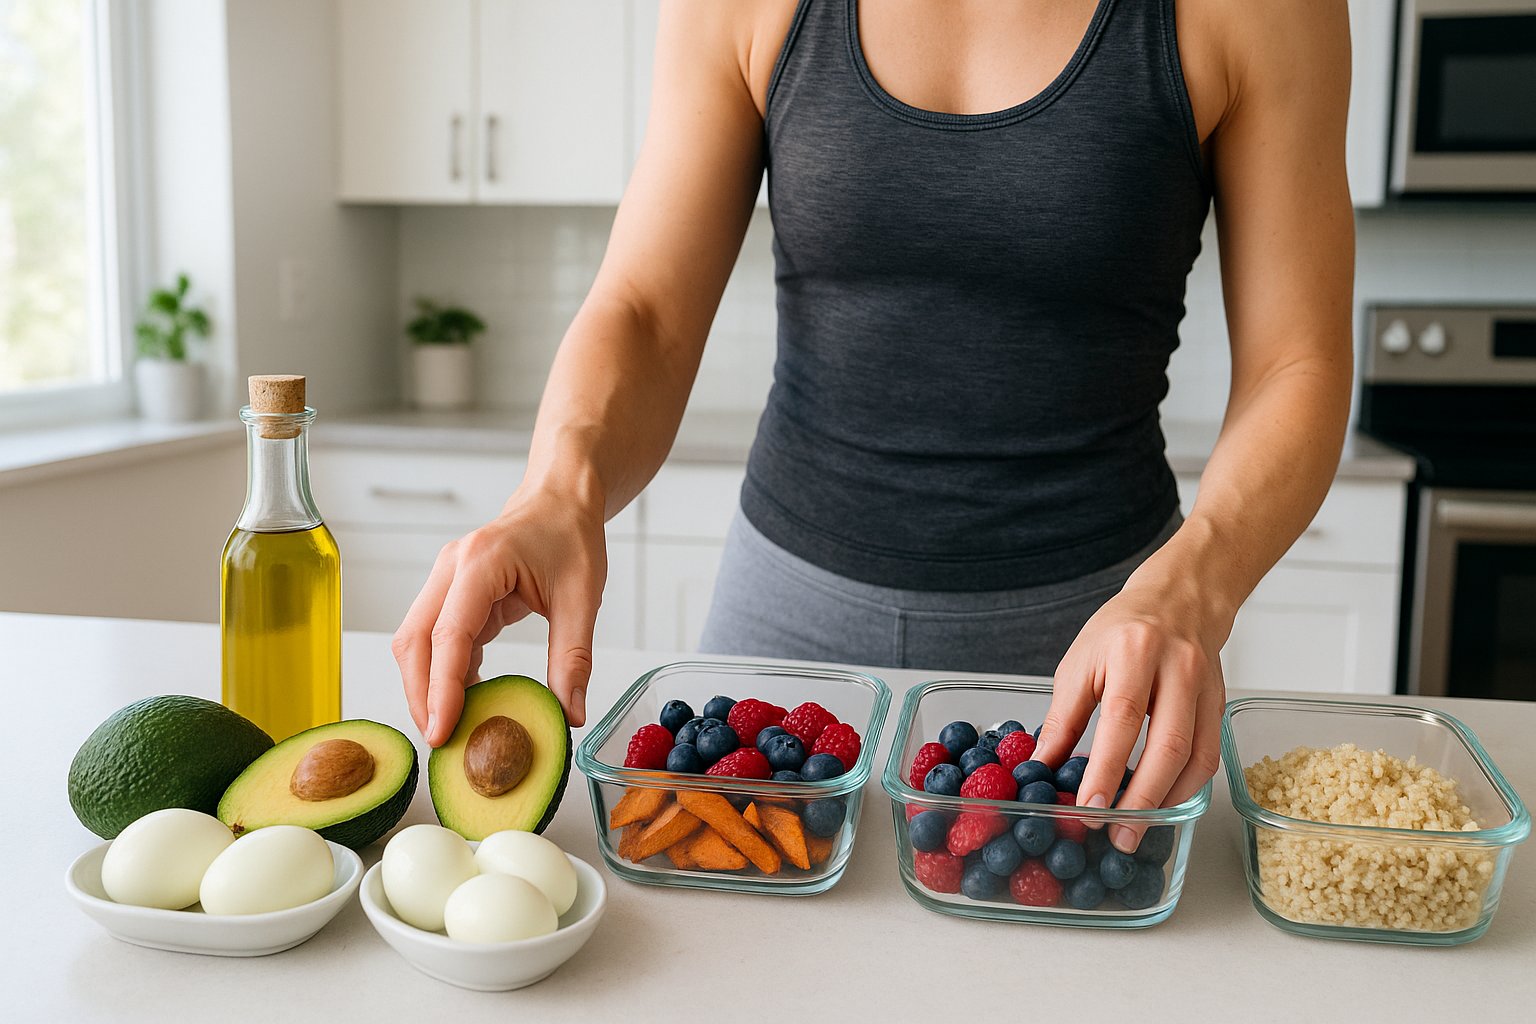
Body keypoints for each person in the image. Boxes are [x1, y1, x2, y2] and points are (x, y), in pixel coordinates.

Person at [393, 0, 1353, 853]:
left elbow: (1295, 363)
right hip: (780, 623)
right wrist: (560, 488)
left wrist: (1197, 586)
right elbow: (644, 307)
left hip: (1090, 648)